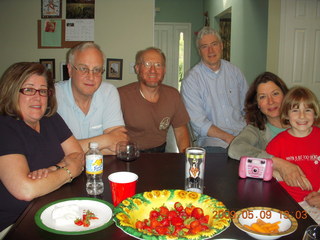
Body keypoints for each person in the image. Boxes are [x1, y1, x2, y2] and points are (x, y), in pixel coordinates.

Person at [0, 62, 84, 237]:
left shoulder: (50, 118)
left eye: (43, 91)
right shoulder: (5, 128)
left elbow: (77, 154)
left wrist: (54, 168)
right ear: (12, 91)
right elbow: (25, 190)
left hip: (53, 210)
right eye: (29, 90)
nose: (38, 98)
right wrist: (69, 171)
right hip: (14, 224)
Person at [228, 72, 312, 191]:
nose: (270, 101)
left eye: (275, 94)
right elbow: (235, 148)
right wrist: (277, 163)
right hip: (278, 193)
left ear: (285, 96)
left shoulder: (304, 123)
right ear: (257, 104)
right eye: (262, 97)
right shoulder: (256, 129)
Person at [181, 26, 248, 153]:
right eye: (204, 46)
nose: (210, 50)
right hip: (214, 142)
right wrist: (230, 139)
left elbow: (248, 106)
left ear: (221, 46)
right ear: (199, 51)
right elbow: (199, 123)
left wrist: (249, 133)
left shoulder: (235, 72)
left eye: (214, 44)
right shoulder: (191, 80)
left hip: (243, 136)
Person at [55, 42, 128, 155]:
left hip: (103, 168)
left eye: (96, 70)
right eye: (84, 69)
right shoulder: (53, 96)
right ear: (70, 70)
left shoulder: (109, 92)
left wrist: (71, 149)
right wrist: (107, 140)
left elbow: (120, 144)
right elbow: (51, 150)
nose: (91, 77)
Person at [118, 47, 190, 153]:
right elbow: (112, 132)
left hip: (160, 154)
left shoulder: (173, 95)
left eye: (158, 65)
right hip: (129, 154)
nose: (153, 70)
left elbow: (181, 131)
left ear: (164, 70)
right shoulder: (121, 95)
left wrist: (186, 160)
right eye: (147, 64)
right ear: (137, 68)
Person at [266, 86, 320, 223]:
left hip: (316, 201)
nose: (302, 116)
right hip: (286, 204)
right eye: (295, 110)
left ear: (315, 113)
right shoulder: (277, 143)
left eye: (307, 110)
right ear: (286, 115)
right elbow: (267, 173)